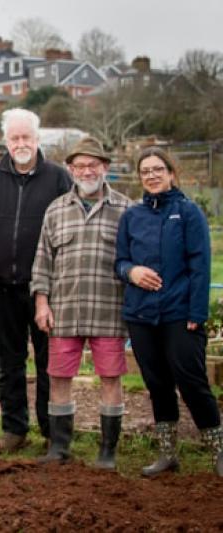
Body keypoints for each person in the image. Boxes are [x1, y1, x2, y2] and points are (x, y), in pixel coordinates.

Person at [115, 147, 223, 477]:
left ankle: (218, 449)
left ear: (171, 173)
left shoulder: (188, 213)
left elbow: (200, 267)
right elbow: (119, 260)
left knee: (191, 381)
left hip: (179, 313)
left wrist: (196, 313)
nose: (151, 175)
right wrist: (131, 272)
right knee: (157, 383)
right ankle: (167, 454)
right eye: (145, 171)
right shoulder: (132, 217)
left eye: (158, 169)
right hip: (141, 315)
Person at [31, 137, 132, 468]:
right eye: (80, 166)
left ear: (105, 168)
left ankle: (108, 450)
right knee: (59, 377)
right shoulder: (56, 210)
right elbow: (42, 262)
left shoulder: (126, 210)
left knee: (111, 378)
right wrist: (42, 305)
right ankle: (59, 447)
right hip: (65, 311)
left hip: (109, 310)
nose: (87, 171)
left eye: (93, 165)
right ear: (70, 170)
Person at [0, 108, 72, 453]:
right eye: (15, 138)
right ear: (5, 141)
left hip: (45, 288)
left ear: (37, 139)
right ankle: (14, 429)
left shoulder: (57, 178)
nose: (21, 143)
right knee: (9, 361)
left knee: (50, 362)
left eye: (26, 138)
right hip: (3, 287)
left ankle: (51, 430)